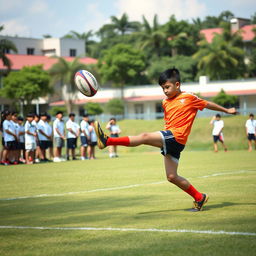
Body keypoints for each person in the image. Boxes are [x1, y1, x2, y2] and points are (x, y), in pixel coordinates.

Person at [94, 68, 236, 211]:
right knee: (171, 176)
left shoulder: (189, 97)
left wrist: (227, 110)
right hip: (172, 139)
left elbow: (208, 104)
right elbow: (169, 120)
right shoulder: (165, 102)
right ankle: (199, 197)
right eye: (163, 88)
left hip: (176, 136)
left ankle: (107, 141)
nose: (165, 91)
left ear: (177, 85)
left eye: (167, 87)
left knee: (144, 136)